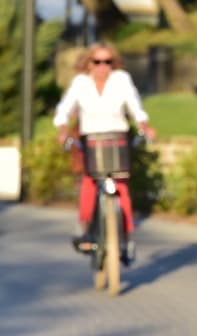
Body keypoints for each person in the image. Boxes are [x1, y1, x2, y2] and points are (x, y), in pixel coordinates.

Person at [54, 41, 156, 258]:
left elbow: (135, 105)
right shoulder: (81, 83)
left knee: (121, 185)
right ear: (88, 63)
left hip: (117, 136)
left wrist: (144, 126)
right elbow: (65, 108)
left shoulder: (122, 79)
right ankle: (84, 227)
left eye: (107, 61)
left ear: (113, 63)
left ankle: (127, 237)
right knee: (90, 182)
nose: (102, 66)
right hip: (91, 137)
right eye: (97, 61)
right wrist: (62, 129)